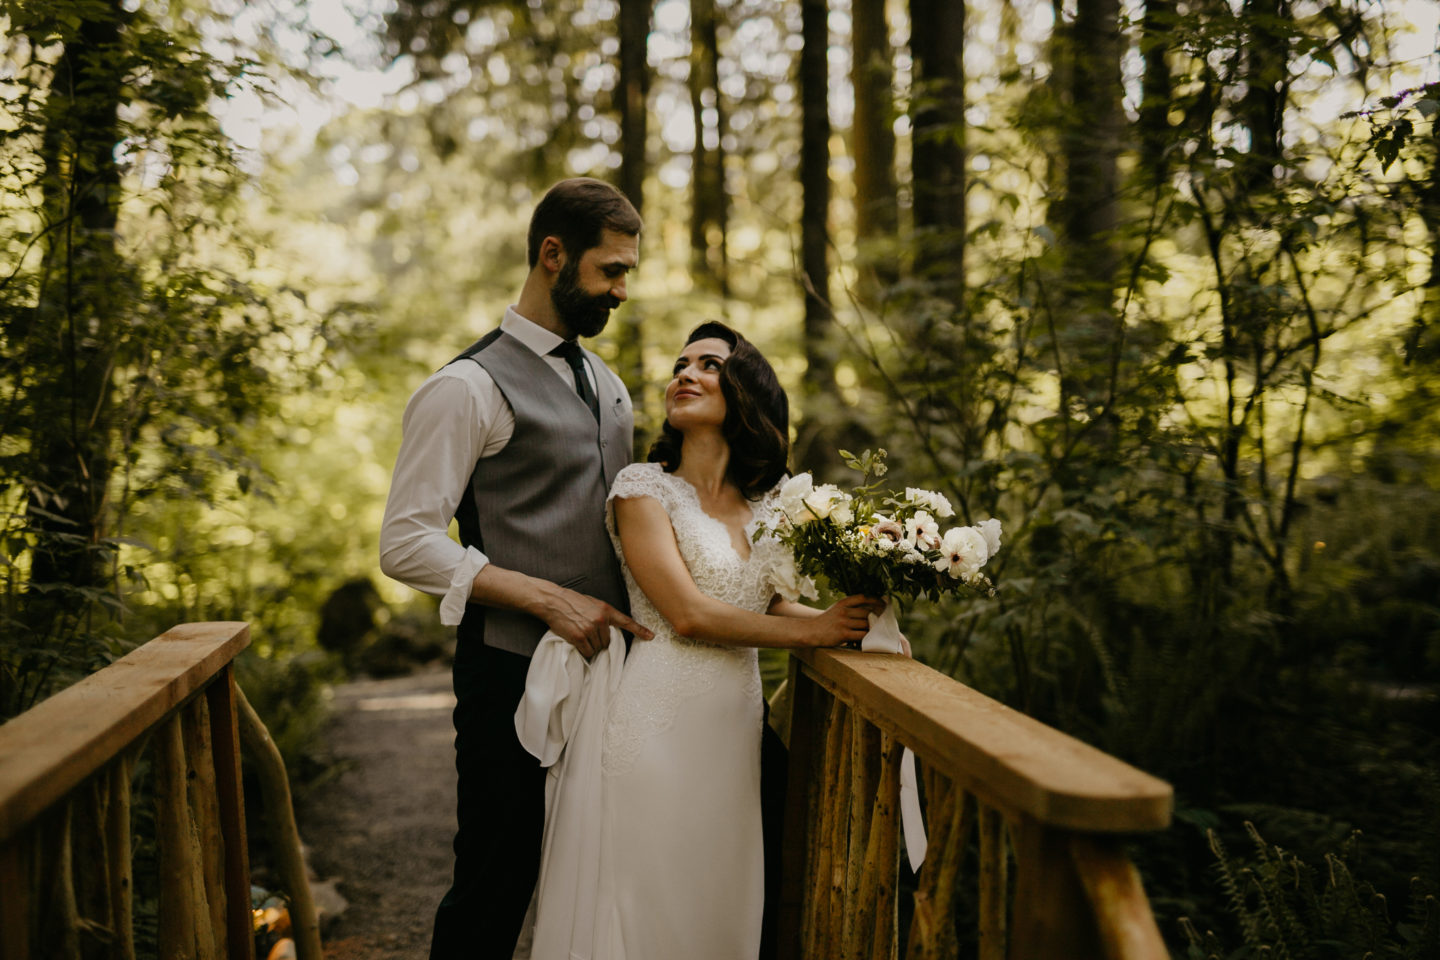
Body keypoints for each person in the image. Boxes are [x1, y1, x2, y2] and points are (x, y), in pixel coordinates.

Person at [522, 321, 881, 958]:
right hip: (656, 722)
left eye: (708, 364)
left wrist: (853, 625)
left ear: (746, 391)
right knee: (652, 895)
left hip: (733, 728)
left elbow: (766, 601)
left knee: (721, 898)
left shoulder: (766, 505)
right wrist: (815, 633)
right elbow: (686, 614)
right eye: (680, 364)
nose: (684, 374)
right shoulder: (642, 488)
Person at [378, 177, 654, 960]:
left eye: (627, 272)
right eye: (610, 271)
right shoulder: (464, 387)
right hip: (507, 674)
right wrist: (545, 600)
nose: (622, 290)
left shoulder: (610, 385)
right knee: (496, 885)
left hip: (609, 677)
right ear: (552, 255)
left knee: (598, 876)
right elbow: (404, 540)